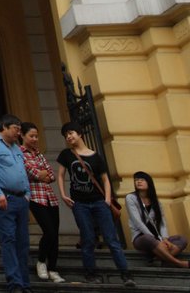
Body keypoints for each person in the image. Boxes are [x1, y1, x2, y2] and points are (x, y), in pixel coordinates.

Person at [56, 123, 134, 287]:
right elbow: (61, 175)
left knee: (111, 239)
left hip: (99, 202)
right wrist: (63, 195)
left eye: (71, 133)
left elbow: (105, 179)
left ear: (80, 134)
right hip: (80, 204)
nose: (69, 137)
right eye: (66, 135)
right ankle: (90, 274)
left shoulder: (96, 157)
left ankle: (126, 275)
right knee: (88, 239)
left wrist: (106, 199)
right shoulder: (66, 154)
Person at [0, 114, 33, 293]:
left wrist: (27, 194)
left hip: (21, 199)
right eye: (15, 129)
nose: (18, 133)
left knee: (23, 242)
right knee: (8, 240)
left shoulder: (16, 148)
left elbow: (22, 171)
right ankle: (15, 283)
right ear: (4, 127)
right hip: (4, 199)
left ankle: (25, 283)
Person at [20, 123, 63, 284]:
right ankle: (41, 261)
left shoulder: (39, 154)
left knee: (55, 235)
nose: (35, 139)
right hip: (35, 197)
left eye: (36, 136)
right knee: (49, 231)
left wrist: (41, 174)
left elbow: (50, 174)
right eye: (31, 136)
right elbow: (32, 172)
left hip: (50, 197)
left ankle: (53, 268)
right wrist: (40, 174)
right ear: (22, 136)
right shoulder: (20, 153)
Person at [126, 171, 190, 270]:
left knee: (182, 239)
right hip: (141, 238)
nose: (138, 182)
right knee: (148, 238)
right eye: (136, 180)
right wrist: (155, 239)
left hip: (158, 238)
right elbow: (138, 222)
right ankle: (178, 263)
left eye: (142, 179)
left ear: (149, 182)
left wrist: (165, 239)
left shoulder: (156, 201)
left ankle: (160, 260)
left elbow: (162, 222)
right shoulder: (131, 198)